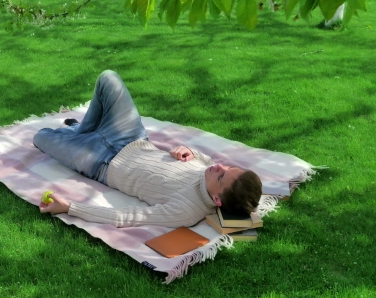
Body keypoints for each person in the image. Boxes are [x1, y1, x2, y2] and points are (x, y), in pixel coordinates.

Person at [33, 70, 262, 228]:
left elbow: (128, 216)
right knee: (108, 78)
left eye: (222, 175)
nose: (218, 165)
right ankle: (83, 131)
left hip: (99, 162)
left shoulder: (187, 211)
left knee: (40, 137)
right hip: (131, 137)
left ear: (218, 200)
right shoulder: (209, 167)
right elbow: (206, 158)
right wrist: (191, 152)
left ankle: (82, 132)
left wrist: (69, 208)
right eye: (228, 167)